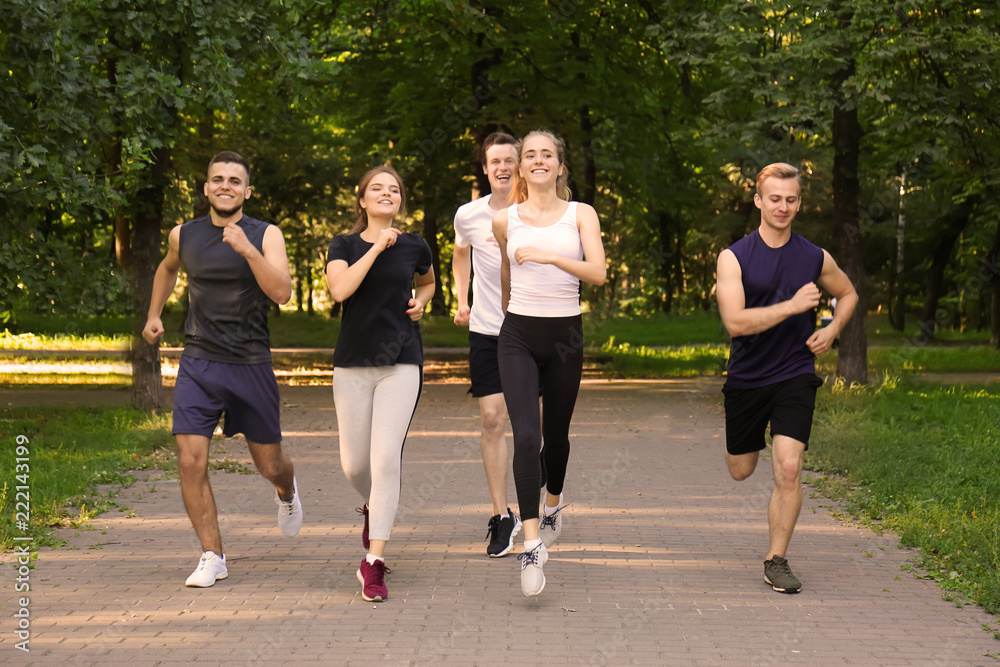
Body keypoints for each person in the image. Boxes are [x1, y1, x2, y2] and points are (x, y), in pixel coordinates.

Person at [142, 150, 302, 588]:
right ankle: (213, 555)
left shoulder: (266, 234)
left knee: (270, 466)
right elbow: (167, 268)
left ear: (247, 191)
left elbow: (283, 293)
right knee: (190, 458)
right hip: (198, 361)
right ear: (206, 187)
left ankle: (287, 492)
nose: (225, 186)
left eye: (235, 180)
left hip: (250, 363)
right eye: (218, 179)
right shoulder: (184, 234)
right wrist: (154, 313)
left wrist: (249, 251)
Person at [715, 162, 858, 594]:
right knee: (741, 469)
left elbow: (848, 293)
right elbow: (735, 323)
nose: (783, 206)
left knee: (790, 469)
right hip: (747, 378)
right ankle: (749, 444)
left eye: (791, 199)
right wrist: (794, 307)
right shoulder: (734, 257)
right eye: (774, 198)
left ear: (800, 202)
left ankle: (776, 559)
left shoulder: (814, 256)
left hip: (796, 373)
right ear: (758, 200)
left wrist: (832, 329)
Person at [493, 130, 607, 596]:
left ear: (560, 167)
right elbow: (505, 271)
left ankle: (554, 501)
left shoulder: (581, 215)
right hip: (518, 334)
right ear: (520, 168)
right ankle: (533, 542)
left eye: (548, 155)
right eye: (530, 155)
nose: (538, 161)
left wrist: (547, 256)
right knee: (525, 435)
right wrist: (509, 317)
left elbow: (598, 274)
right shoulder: (504, 219)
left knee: (555, 436)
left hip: (565, 336)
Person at [325, 165, 435, 603]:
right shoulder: (344, 244)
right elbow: (340, 290)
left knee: (386, 458)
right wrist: (376, 248)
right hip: (352, 364)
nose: (386, 194)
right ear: (363, 200)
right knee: (355, 466)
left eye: (394, 190)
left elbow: (427, 283)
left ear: (399, 201)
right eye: (377, 189)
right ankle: (374, 506)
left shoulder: (416, 245)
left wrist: (421, 303)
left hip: (402, 362)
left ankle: (373, 563)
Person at [453, 131, 524, 558]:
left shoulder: (537, 212)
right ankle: (502, 515)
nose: (502, 167)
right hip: (486, 330)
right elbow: (461, 253)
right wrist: (462, 298)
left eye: (509, 160)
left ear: (521, 166)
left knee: (531, 432)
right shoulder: (468, 215)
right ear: (484, 168)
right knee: (493, 421)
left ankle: (537, 512)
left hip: (532, 330)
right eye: (494, 161)